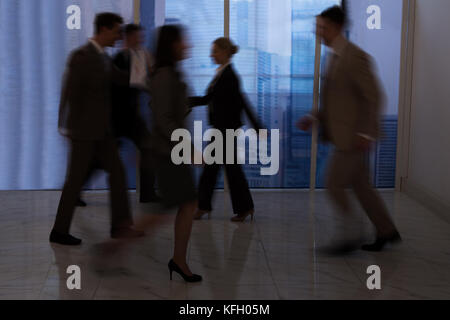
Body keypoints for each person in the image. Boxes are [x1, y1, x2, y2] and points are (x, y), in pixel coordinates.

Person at [298, 6, 401, 252]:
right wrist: (314, 116)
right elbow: (335, 100)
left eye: (321, 28)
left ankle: (351, 235)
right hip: (345, 135)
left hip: (354, 138)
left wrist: (366, 134)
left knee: (333, 183)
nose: (317, 32)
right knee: (362, 186)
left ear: (335, 27)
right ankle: (387, 230)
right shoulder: (334, 57)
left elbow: (374, 97)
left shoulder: (355, 57)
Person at [50, 13, 143, 246]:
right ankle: (59, 231)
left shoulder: (104, 58)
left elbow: (122, 79)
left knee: (118, 173)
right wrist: (64, 125)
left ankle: (121, 227)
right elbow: (68, 91)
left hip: (103, 132)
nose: (119, 36)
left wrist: (140, 66)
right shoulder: (81, 56)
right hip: (83, 132)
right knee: (74, 181)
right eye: (115, 31)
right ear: (103, 29)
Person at [146, 25, 201, 282]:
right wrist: (187, 146)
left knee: (183, 205)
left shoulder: (171, 74)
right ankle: (114, 247)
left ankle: (179, 259)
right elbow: (164, 119)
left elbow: (170, 112)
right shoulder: (165, 75)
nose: (187, 45)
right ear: (172, 45)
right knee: (169, 209)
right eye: (183, 41)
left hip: (172, 150)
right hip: (169, 151)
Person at [189, 37, 263, 223]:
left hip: (225, 130)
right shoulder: (223, 73)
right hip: (223, 129)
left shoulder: (229, 76)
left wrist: (257, 126)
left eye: (214, 51)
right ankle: (242, 207)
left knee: (218, 170)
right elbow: (209, 98)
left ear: (223, 52)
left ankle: (205, 207)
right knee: (225, 170)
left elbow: (241, 101)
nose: (211, 55)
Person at [111, 24, 161, 203]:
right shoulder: (119, 58)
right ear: (129, 37)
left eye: (142, 36)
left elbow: (146, 80)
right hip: (117, 116)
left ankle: (147, 193)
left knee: (148, 148)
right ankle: (76, 191)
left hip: (131, 116)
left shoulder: (142, 55)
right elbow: (127, 83)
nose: (141, 40)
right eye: (138, 36)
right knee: (100, 157)